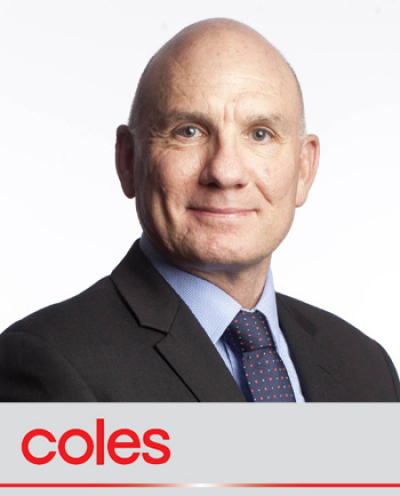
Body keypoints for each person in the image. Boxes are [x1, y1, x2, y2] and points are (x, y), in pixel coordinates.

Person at [0, 18, 399, 402]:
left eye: (260, 134)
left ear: (304, 169)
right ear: (128, 161)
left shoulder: (367, 367)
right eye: (188, 131)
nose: (225, 172)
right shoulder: (47, 365)